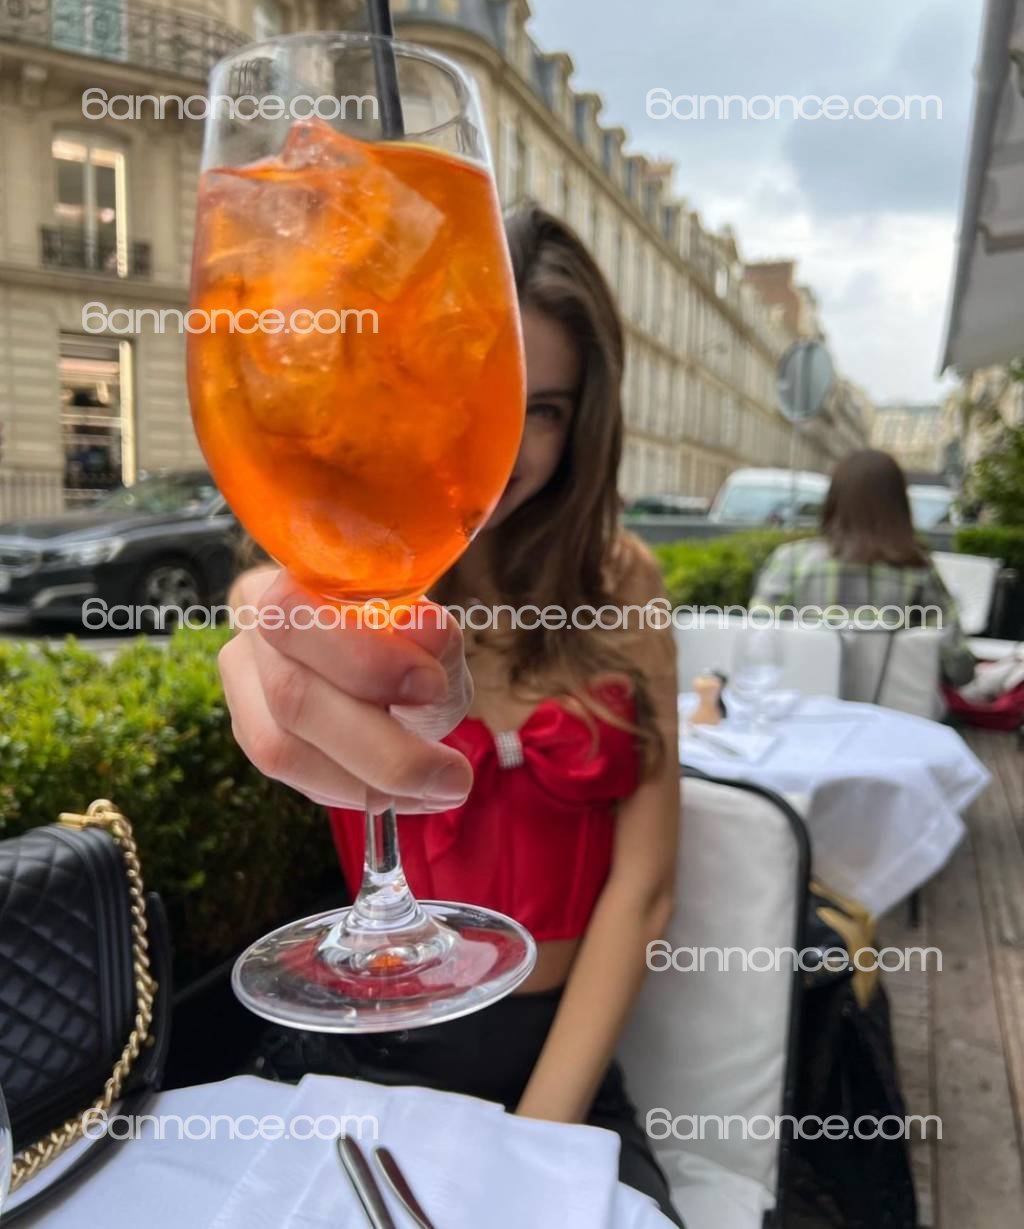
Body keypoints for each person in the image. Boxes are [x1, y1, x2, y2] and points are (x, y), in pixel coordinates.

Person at [220, 203, 684, 1225]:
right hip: (354, 1054)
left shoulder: (625, 582)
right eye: (473, 394)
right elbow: (265, 621)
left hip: (557, 1065)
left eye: (542, 407)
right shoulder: (334, 581)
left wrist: (535, 1138)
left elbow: (644, 889)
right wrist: (265, 639)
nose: (501, 442)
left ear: (584, 422)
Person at [751, 449, 976, 686]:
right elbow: (958, 667)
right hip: (892, 708)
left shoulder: (791, 560)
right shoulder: (919, 570)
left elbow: (756, 642)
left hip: (801, 700)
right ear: (899, 505)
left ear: (833, 499)